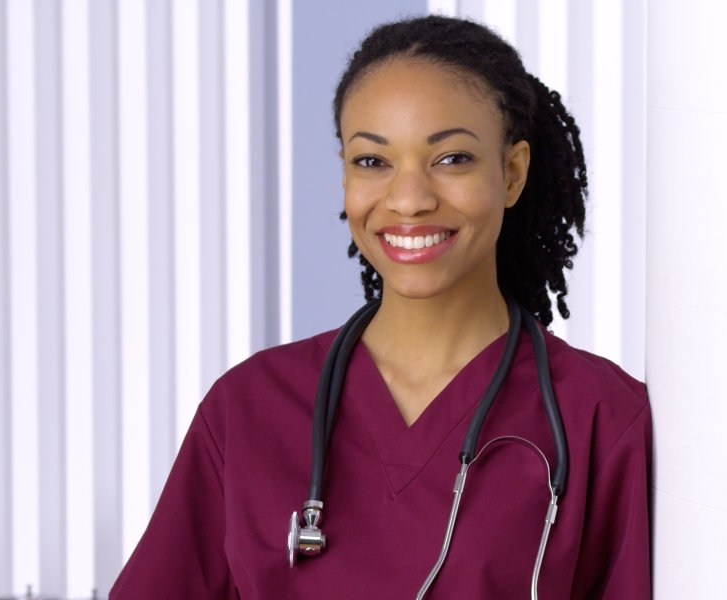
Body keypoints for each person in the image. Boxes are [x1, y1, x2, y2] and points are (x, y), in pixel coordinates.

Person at [110, 14, 651, 598]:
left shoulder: (601, 418)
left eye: (451, 159)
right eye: (373, 161)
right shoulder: (248, 410)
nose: (410, 199)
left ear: (513, 173)